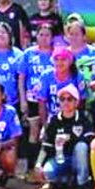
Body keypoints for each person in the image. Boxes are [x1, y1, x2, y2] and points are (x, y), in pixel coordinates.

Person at [35, 84, 95, 189]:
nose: (66, 102)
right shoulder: (54, 120)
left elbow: (90, 138)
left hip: (79, 160)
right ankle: (66, 180)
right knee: (47, 172)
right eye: (62, 99)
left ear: (76, 102)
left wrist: (70, 137)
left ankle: (82, 184)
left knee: (81, 146)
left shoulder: (84, 117)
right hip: (60, 158)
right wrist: (38, 164)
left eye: (70, 99)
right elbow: (46, 146)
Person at [18, 23, 56, 177]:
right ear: (36, 36)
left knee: (50, 131)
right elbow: (21, 78)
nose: (44, 38)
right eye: (41, 34)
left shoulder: (56, 54)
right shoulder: (28, 54)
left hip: (51, 100)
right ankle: (31, 168)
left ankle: (48, 167)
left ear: (52, 37)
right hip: (32, 99)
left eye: (47, 35)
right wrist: (23, 100)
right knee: (33, 132)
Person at [37, 47, 86, 121]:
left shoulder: (78, 76)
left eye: (63, 59)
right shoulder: (46, 76)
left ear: (70, 61)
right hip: (53, 118)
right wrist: (45, 125)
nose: (59, 63)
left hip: (73, 118)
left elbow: (82, 100)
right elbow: (42, 101)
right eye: (56, 59)